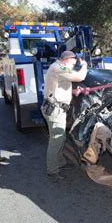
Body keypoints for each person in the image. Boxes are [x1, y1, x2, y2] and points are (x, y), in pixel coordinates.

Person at [42, 50, 88, 181]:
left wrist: (73, 91)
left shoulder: (57, 68)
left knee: (60, 138)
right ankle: (52, 171)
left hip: (57, 109)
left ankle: (60, 162)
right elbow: (80, 77)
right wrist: (84, 65)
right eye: (73, 64)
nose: (73, 66)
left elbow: (59, 86)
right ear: (67, 60)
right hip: (55, 110)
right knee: (56, 139)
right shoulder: (58, 68)